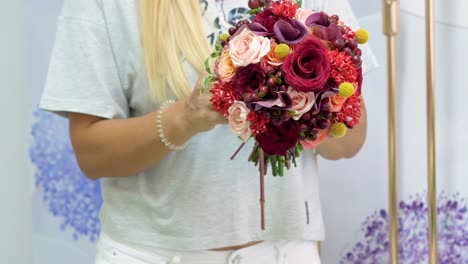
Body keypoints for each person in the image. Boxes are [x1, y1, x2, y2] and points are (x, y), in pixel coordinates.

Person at [40, 0, 377, 263]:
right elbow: (92, 155)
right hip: (153, 255)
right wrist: (184, 119)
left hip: (284, 253)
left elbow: (349, 143)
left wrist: (306, 99)